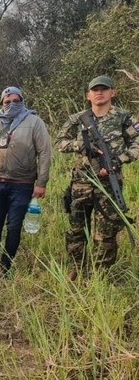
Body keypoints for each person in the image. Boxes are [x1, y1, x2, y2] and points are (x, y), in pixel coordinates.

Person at [56, 75, 139, 280]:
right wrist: (79, 145)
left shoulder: (124, 117)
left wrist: (119, 160)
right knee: (76, 227)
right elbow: (60, 142)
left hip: (110, 182)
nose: (99, 93)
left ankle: (100, 274)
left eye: (104, 89)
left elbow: (137, 143)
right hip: (82, 181)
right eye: (95, 90)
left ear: (113, 92)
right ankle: (77, 267)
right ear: (88, 95)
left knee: (106, 231)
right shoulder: (78, 118)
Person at [0, 86, 51, 273]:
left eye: (16, 101)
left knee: (14, 227)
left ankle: (5, 266)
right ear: (1, 103)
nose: (12, 104)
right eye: (7, 102)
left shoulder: (34, 122)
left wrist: (41, 183)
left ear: (22, 101)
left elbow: (44, 153)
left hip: (22, 185)